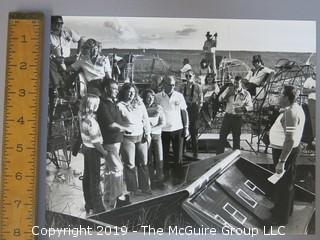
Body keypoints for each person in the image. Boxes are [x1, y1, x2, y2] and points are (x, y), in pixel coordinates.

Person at [269, 85, 305, 225]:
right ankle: (285, 211)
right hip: (290, 150)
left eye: (280, 94)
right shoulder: (297, 108)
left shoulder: (290, 112)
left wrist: (281, 161)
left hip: (284, 152)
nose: (278, 96)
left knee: (282, 185)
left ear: (286, 97)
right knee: (288, 182)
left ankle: (279, 219)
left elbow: (289, 139)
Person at [97, 79, 131, 209]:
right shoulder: (103, 105)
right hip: (109, 142)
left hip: (115, 142)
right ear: (106, 89)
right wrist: (125, 128)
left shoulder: (112, 103)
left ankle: (108, 198)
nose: (117, 91)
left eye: (117, 89)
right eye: (114, 89)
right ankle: (117, 200)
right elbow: (110, 125)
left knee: (108, 171)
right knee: (117, 170)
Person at [117, 83, 152, 195]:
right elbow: (117, 122)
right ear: (124, 92)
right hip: (128, 138)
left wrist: (148, 133)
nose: (131, 94)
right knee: (130, 165)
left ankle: (145, 187)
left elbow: (145, 119)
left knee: (143, 163)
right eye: (128, 92)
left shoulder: (140, 104)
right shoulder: (119, 106)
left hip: (141, 136)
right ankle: (133, 189)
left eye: (133, 92)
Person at [155, 75, 189, 182]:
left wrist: (186, 127)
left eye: (173, 85)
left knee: (178, 156)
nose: (172, 87)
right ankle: (165, 177)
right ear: (164, 84)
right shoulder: (157, 97)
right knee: (164, 155)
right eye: (169, 85)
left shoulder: (179, 96)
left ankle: (178, 178)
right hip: (163, 130)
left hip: (177, 128)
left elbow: (184, 112)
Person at [78, 91, 106, 215]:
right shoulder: (91, 123)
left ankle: (88, 204)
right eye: (96, 104)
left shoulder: (82, 117)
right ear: (91, 106)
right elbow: (96, 142)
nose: (98, 106)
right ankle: (98, 207)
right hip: (94, 151)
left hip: (86, 149)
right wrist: (104, 152)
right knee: (95, 180)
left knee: (87, 177)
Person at [217, 76, 253, 154]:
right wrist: (228, 94)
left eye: (238, 83)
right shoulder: (229, 89)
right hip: (228, 116)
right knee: (222, 136)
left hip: (237, 118)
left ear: (242, 83)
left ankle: (235, 157)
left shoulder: (246, 93)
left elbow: (250, 106)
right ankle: (218, 156)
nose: (236, 84)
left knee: (236, 138)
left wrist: (242, 109)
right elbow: (220, 99)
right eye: (235, 83)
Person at [143, 89, 166, 189]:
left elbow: (162, 123)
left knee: (159, 159)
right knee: (149, 160)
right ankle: (152, 181)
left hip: (156, 136)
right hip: (145, 137)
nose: (150, 99)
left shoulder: (158, 108)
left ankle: (160, 181)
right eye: (148, 97)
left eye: (152, 97)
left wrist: (151, 129)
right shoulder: (142, 107)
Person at [183, 70, 203, 158]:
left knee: (194, 132)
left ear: (193, 76)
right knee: (183, 129)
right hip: (185, 108)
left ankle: (195, 153)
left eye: (190, 76)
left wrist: (198, 109)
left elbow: (201, 100)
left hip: (194, 109)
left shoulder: (198, 87)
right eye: (186, 76)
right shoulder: (183, 87)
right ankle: (183, 151)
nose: (188, 78)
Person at [303, 73, 316, 150]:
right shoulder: (309, 80)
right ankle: (312, 141)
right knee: (312, 121)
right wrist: (313, 90)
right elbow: (304, 91)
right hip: (312, 101)